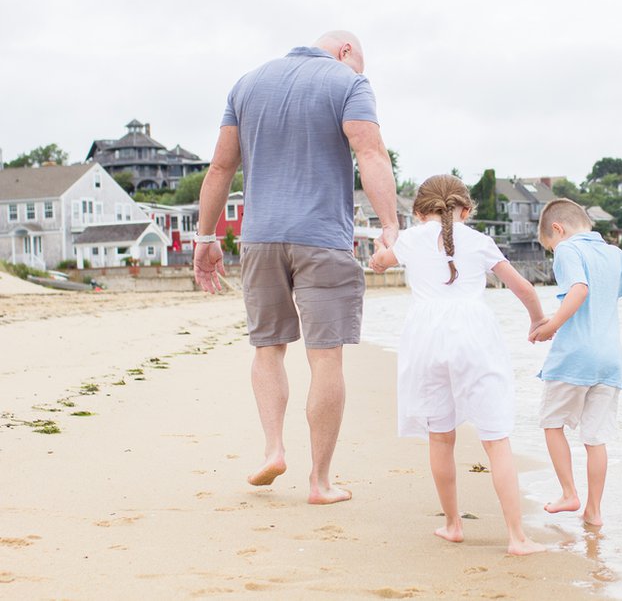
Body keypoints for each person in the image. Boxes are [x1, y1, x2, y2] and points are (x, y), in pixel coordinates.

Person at [193, 30, 398, 505]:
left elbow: (220, 167)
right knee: (325, 357)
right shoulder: (348, 83)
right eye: (359, 63)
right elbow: (370, 151)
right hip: (322, 239)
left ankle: (273, 449)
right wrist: (390, 224)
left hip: (260, 238)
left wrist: (205, 238)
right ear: (345, 52)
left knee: (268, 349)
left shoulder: (247, 84)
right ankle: (320, 482)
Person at [369, 174, 546, 555]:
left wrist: (381, 250)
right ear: (466, 210)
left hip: (425, 340)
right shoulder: (480, 241)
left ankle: (453, 524)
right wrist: (537, 321)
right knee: (496, 439)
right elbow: (524, 288)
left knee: (440, 437)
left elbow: (380, 263)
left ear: (419, 213)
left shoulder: (410, 239)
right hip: (474, 337)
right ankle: (517, 537)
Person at [528, 199, 622, 527]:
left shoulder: (567, 249)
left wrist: (551, 326)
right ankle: (594, 511)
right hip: (611, 363)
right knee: (595, 438)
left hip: (574, 358)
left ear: (558, 229)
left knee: (552, 423)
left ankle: (568, 493)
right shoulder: (615, 254)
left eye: (550, 246)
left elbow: (579, 291)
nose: (554, 251)